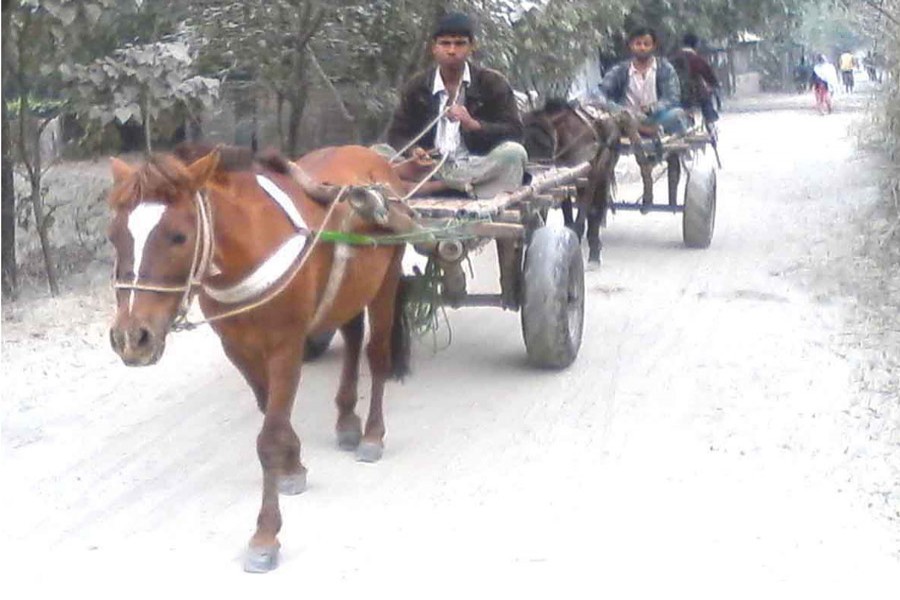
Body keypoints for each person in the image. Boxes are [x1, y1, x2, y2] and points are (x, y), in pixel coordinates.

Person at [383, 12, 527, 201]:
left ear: (471, 47)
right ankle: (450, 186)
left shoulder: (492, 83)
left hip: (475, 166)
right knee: (378, 153)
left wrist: (474, 125)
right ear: (434, 48)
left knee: (514, 154)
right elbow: (396, 133)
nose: (452, 50)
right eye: (445, 43)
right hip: (429, 169)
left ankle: (437, 188)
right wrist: (413, 151)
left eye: (459, 43)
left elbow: (515, 132)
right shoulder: (417, 86)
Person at [597, 26, 688, 136]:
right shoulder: (620, 70)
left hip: (657, 118)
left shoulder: (665, 68)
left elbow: (672, 97)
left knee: (677, 114)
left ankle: (645, 129)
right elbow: (602, 90)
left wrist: (652, 109)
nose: (642, 48)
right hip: (627, 120)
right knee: (605, 109)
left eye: (646, 44)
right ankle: (643, 129)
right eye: (638, 44)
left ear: (653, 46)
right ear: (631, 46)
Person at [670, 33, 720, 126]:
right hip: (694, 94)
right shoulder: (697, 59)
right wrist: (714, 85)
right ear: (696, 45)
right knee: (706, 98)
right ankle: (710, 119)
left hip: (674, 93)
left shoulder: (673, 58)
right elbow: (709, 74)